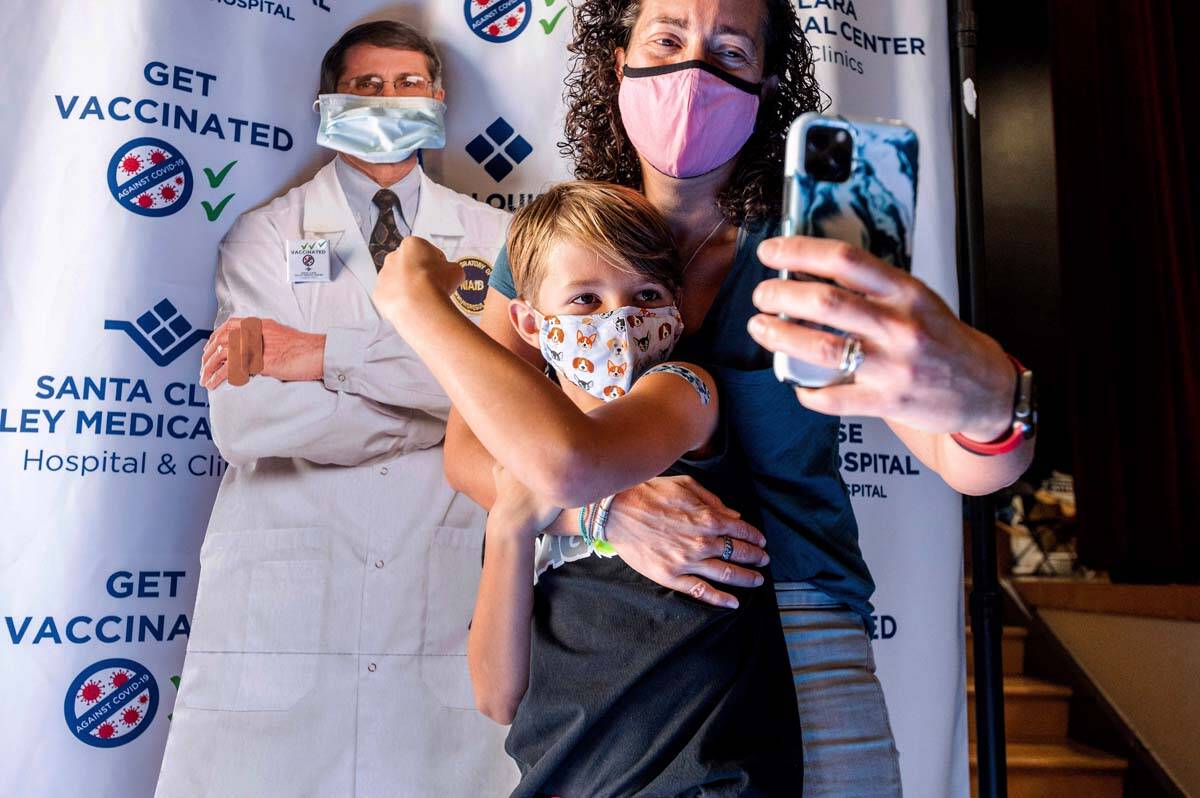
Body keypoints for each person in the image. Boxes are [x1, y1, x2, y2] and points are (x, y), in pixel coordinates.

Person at [444, 2, 1037, 796]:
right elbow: (470, 448)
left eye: (729, 50)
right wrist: (600, 509)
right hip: (612, 649)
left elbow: (968, 461)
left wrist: (989, 401)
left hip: (801, 634)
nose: (694, 70)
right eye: (666, 39)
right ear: (617, 62)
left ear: (764, 82)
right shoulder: (552, 246)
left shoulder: (812, 253)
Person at [155, 20, 517, 798]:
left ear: (440, 99)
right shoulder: (264, 237)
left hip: (444, 590)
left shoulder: (501, 240)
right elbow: (246, 421)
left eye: (407, 84)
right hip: (288, 619)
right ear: (328, 104)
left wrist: (323, 359)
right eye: (367, 86)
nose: (389, 100)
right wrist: (451, 402)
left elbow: (519, 407)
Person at [372, 181, 803, 797]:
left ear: (676, 309)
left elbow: (572, 463)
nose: (619, 319)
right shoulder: (522, 473)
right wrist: (513, 525)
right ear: (529, 321)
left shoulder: (684, 391)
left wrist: (420, 304)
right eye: (585, 299)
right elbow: (497, 697)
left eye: (646, 295)